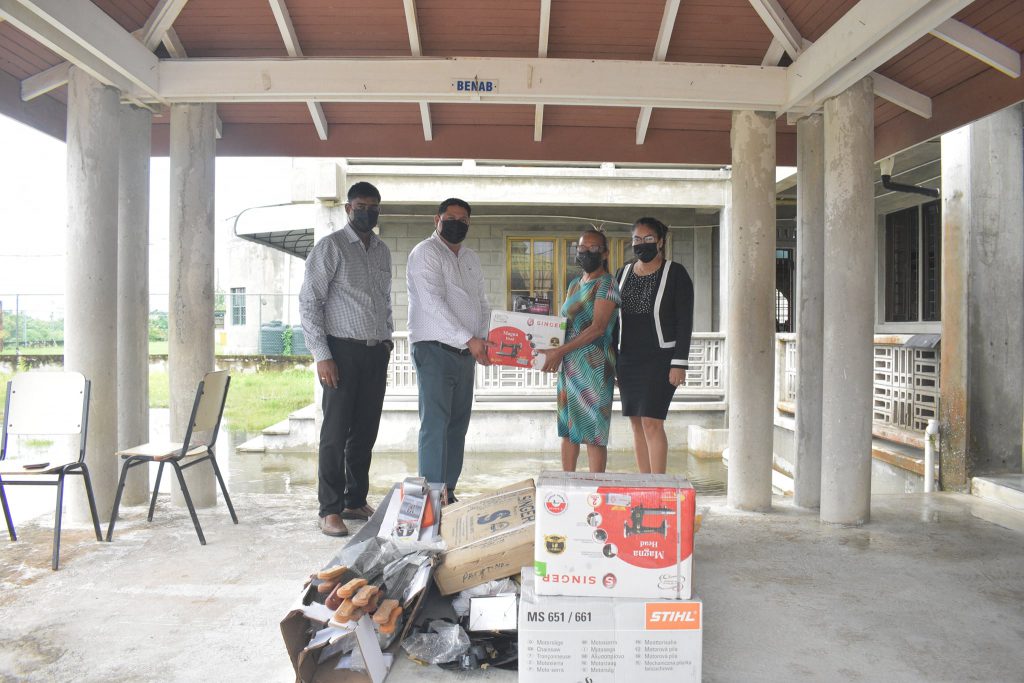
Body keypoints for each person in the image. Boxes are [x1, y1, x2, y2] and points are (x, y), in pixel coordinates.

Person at [299, 181, 393, 537]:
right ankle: (330, 509)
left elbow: (383, 300)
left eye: (373, 207)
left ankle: (355, 500)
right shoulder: (330, 248)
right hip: (341, 351)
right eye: (360, 206)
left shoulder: (382, 251)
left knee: (365, 430)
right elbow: (310, 303)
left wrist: (387, 338)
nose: (366, 212)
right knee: (335, 432)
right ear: (348, 209)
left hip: (374, 352)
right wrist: (322, 355)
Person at [406, 198, 490, 502]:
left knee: (457, 425)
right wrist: (469, 338)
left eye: (463, 219)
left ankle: (448, 491)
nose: (457, 223)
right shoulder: (425, 253)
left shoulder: (471, 258)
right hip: (434, 350)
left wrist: (482, 339)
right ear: (436, 220)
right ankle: (431, 495)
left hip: (465, 354)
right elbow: (432, 303)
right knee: (435, 425)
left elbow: (481, 302)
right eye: (450, 217)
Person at [615, 217, 694, 475]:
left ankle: (658, 485)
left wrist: (679, 362)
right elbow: (614, 320)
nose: (642, 244)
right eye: (637, 239)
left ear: (660, 241)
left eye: (648, 239)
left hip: (660, 359)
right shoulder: (623, 272)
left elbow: (685, 321)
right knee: (636, 423)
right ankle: (644, 482)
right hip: (628, 359)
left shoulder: (676, 273)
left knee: (652, 421)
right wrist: (614, 361)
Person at [540, 229, 621, 473]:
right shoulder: (575, 284)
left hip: (594, 366)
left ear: (605, 253)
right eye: (581, 249)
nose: (586, 253)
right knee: (568, 430)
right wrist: (544, 345)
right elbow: (564, 324)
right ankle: (567, 485)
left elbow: (597, 328)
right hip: (568, 366)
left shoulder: (608, 283)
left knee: (593, 432)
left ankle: (596, 490)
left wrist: (559, 351)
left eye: (593, 249)